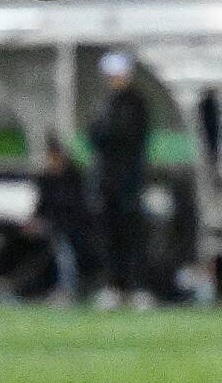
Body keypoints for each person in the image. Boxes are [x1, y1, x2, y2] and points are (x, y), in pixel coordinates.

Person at [89, 52, 152, 309]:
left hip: (128, 182)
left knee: (131, 235)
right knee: (110, 236)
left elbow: (119, 138)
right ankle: (114, 286)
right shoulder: (107, 104)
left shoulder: (134, 105)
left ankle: (135, 286)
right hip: (108, 182)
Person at [24, 137, 95, 303]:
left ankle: (68, 289)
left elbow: (78, 206)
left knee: (65, 253)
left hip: (74, 226)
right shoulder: (47, 179)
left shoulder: (75, 177)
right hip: (56, 225)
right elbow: (43, 204)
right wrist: (35, 220)